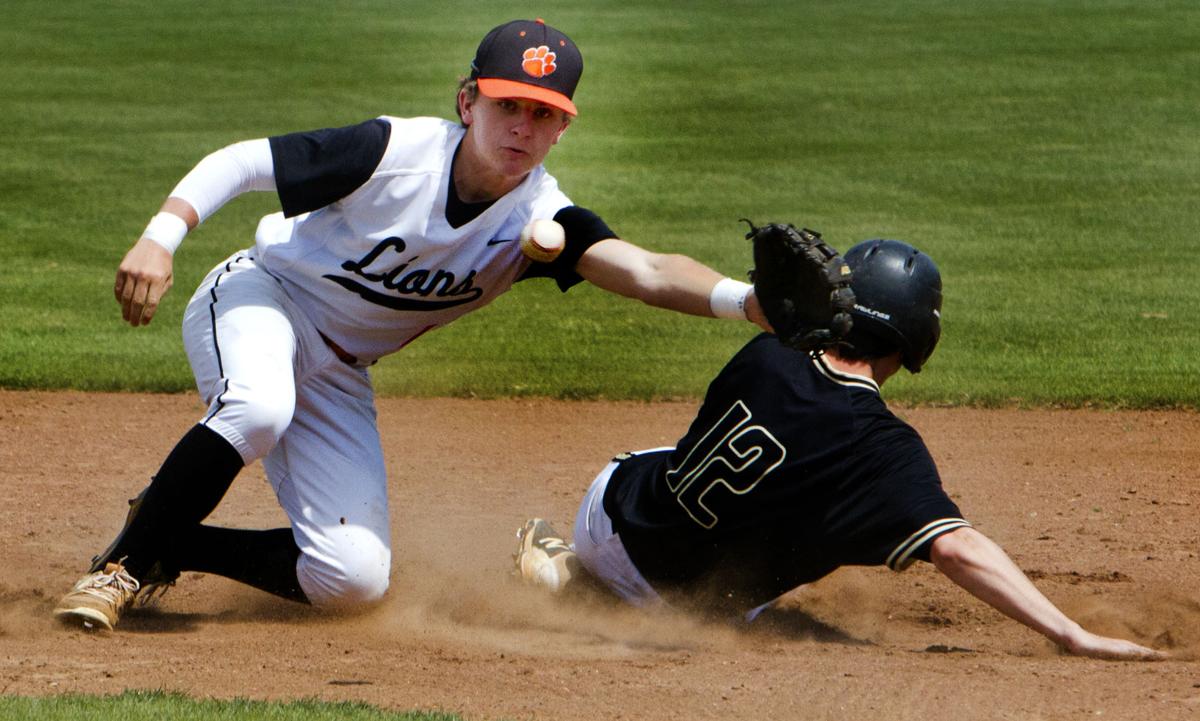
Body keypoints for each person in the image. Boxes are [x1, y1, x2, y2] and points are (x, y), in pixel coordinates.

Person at [53, 18, 770, 632]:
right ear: (468, 101)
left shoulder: (540, 222)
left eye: (545, 114)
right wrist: (161, 235)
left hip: (339, 370)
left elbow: (646, 270)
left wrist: (745, 301)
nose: (524, 126)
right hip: (260, 299)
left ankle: (168, 532)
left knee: (351, 581)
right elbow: (244, 163)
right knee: (260, 406)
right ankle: (122, 565)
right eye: (508, 104)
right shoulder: (393, 153)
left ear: (562, 129)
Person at [514, 238, 1166, 661]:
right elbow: (957, 546)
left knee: (687, 455)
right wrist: (1068, 632)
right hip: (691, 609)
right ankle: (597, 589)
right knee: (834, 509)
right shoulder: (885, 451)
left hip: (606, 517)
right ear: (917, 336)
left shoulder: (770, 348)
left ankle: (582, 571)